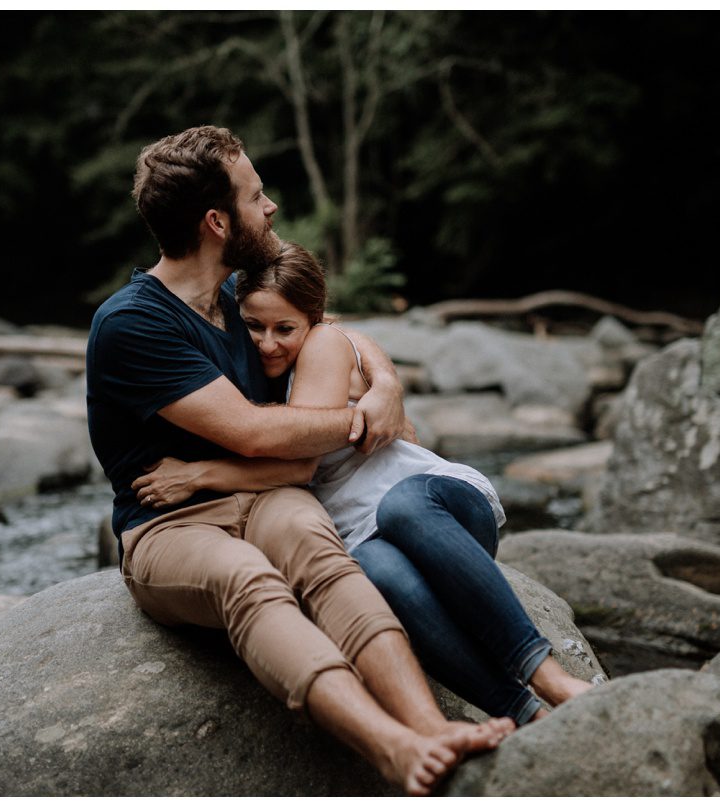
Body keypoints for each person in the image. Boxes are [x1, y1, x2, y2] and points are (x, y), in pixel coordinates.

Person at [85, 125, 513, 795]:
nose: (272, 208)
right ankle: (390, 745)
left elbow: (324, 322)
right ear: (218, 221)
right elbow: (253, 431)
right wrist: (358, 417)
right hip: (169, 527)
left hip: (265, 492)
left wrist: (384, 378)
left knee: (321, 551)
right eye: (258, 196)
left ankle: (432, 725)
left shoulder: (235, 295)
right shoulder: (133, 323)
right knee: (247, 579)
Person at [133, 241, 594, 726]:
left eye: (283, 329)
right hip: (371, 537)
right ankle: (521, 711)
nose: (267, 342)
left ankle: (546, 674)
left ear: (313, 319)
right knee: (374, 569)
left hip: (437, 507)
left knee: (400, 506)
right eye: (254, 326)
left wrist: (197, 475)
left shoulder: (324, 345)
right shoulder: (258, 371)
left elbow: (300, 467)